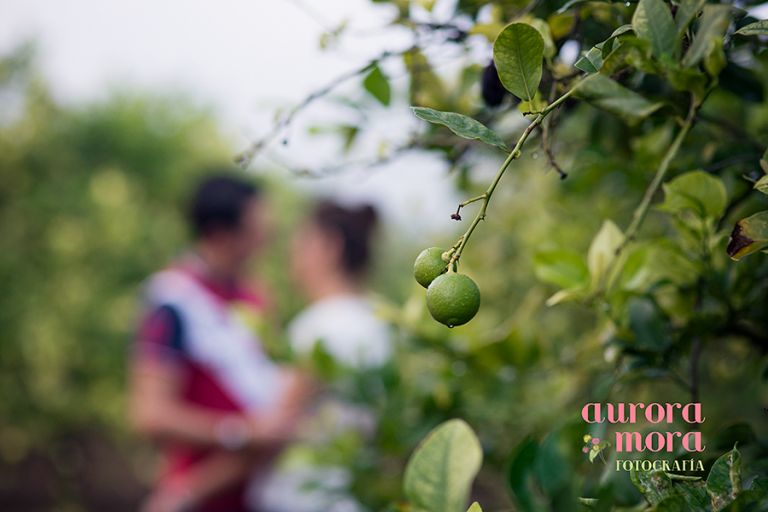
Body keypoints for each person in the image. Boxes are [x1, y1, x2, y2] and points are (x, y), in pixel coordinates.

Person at [129, 173, 310, 512]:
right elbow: (150, 413)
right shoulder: (172, 302)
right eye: (257, 230)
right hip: (197, 494)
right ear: (222, 233)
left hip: (258, 492)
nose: (266, 241)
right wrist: (239, 432)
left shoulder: (256, 300)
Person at [254, 200, 393, 512]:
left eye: (302, 240)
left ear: (330, 246)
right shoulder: (378, 320)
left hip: (300, 499)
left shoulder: (319, 327)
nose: (292, 251)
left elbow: (277, 427)